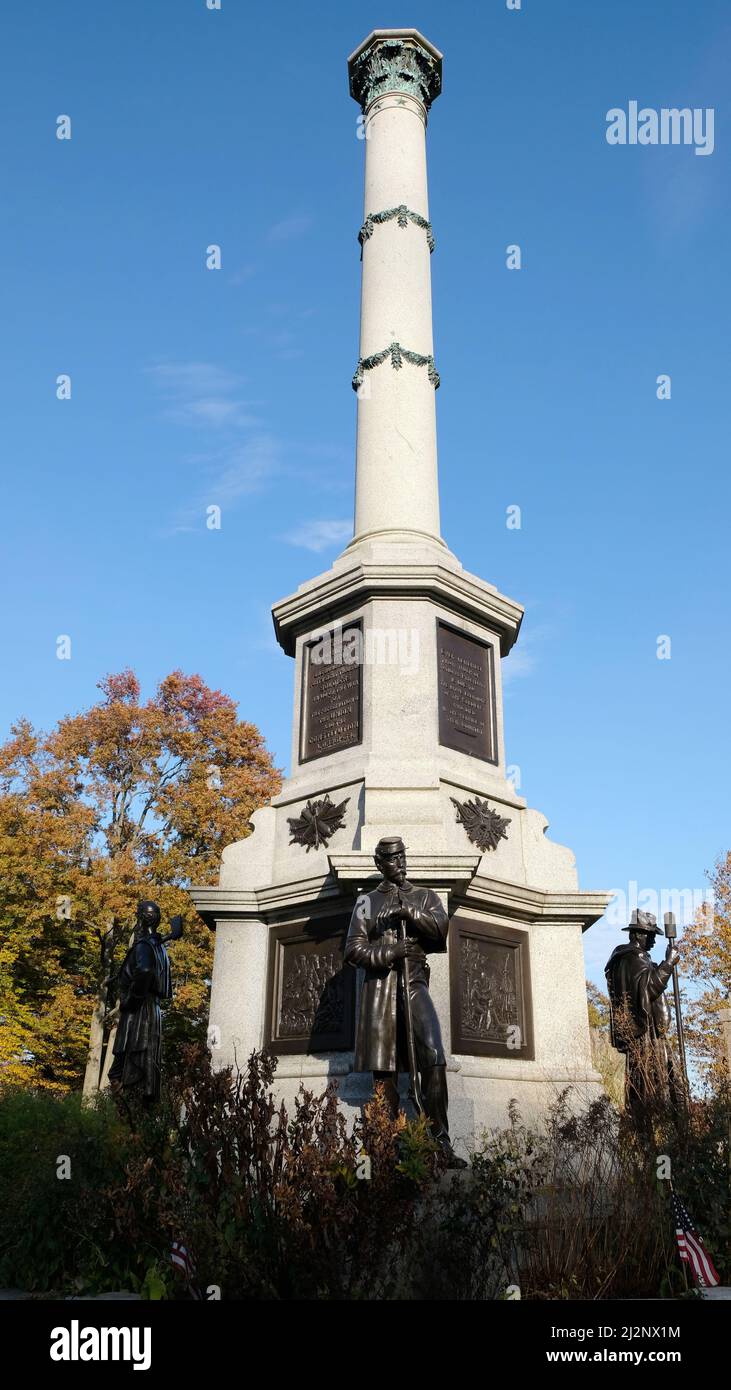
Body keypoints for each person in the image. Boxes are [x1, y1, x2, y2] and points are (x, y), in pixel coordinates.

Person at [344, 835, 466, 1167]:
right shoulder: (366, 902)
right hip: (381, 990)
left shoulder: (424, 896)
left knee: (434, 1054)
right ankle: (386, 1147)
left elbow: (440, 931)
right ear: (379, 864)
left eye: (402, 856)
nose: (400, 863)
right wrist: (391, 951)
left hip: (414, 984)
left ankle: (440, 1144)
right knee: (384, 1073)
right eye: (393, 859)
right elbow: (353, 950)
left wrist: (407, 910)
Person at [604, 910, 681, 1116]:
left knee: (661, 1081)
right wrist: (668, 964)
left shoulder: (626, 959)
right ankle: (659, 1131)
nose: (654, 940)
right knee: (659, 1083)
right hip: (645, 1034)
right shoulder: (632, 958)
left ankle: (667, 1130)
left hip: (643, 1032)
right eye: (650, 935)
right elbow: (649, 988)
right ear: (637, 934)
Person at [108, 899, 176, 1104]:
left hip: (139, 1012)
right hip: (151, 1011)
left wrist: (131, 999)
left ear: (140, 918)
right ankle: (138, 1116)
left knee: (124, 1066)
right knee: (145, 1065)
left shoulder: (144, 946)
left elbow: (145, 971)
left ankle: (127, 1121)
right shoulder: (159, 949)